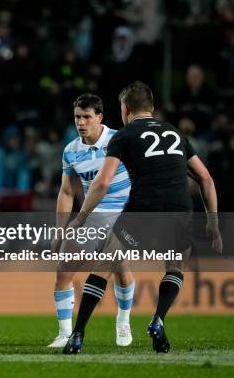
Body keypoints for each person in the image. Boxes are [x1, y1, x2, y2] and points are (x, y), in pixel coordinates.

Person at [63, 81, 222, 354]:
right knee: (174, 267)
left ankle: (77, 334)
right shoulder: (175, 133)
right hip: (180, 208)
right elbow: (205, 178)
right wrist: (213, 222)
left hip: (143, 208)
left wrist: (80, 217)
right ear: (152, 108)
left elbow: (102, 183)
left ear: (126, 109)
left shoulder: (123, 136)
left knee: (105, 263)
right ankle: (158, 319)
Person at [48, 93, 134, 348]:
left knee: (120, 270)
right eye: (77, 117)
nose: (81, 122)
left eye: (87, 117)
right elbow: (66, 192)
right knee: (63, 270)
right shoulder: (71, 151)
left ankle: (123, 321)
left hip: (124, 214)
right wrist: (59, 231)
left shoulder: (120, 140)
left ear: (100, 117)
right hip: (92, 216)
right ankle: (64, 333)